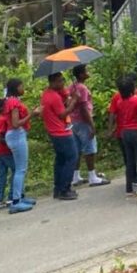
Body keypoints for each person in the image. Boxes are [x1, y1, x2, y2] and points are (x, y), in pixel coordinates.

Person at [111, 76, 137, 202]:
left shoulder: (119, 102)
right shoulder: (136, 100)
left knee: (129, 162)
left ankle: (129, 190)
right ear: (132, 88)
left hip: (125, 132)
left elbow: (115, 115)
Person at [39, 72, 79, 201]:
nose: (63, 83)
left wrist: (68, 96)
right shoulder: (54, 97)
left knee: (61, 160)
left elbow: (63, 100)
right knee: (72, 157)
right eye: (61, 81)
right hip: (61, 132)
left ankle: (58, 188)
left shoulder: (47, 94)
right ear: (54, 82)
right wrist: (74, 101)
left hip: (54, 132)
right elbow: (62, 114)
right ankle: (65, 189)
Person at [70, 65, 109, 188]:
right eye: (86, 71)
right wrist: (91, 125)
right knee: (89, 149)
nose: (88, 72)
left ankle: (75, 176)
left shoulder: (72, 87)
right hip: (83, 121)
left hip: (73, 121)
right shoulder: (82, 88)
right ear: (81, 74)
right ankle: (92, 176)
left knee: (77, 149)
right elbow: (84, 108)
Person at [1, 78, 36, 213]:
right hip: (16, 135)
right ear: (16, 87)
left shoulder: (11, 100)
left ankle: (20, 196)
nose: (23, 88)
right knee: (20, 169)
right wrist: (32, 115)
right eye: (21, 86)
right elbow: (15, 123)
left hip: (14, 135)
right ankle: (16, 201)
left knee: (19, 168)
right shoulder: (14, 102)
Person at [0, 99, 14, 209]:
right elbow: (0, 137)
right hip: (4, 150)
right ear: (1, 108)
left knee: (2, 175)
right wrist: (11, 144)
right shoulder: (3, 119)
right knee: (16, 170)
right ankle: (11, 197)